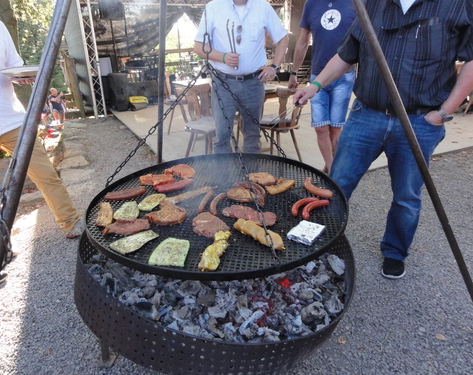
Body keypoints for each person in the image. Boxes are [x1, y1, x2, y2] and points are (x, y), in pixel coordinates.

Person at [294, 0, 473, 279]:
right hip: (367, 115)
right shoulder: (372, 5)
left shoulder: (457, 4)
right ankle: (318, 241)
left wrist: (444, 112)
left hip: (419, 120)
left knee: (406, 196)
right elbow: (346, 54)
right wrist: (315, 85)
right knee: (336, 185)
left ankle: (394, 252)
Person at [0, 9, 84, 281]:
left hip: (10, 117)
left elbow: (13, 65)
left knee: (46, 175)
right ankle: (1, 244)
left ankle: (70, 223)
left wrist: (23, 76)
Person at [194, 0, 289, 153]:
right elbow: (199, 46)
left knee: (253, 135)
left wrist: (274, 66)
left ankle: (252, 176)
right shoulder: (214, 7)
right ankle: (226, 176)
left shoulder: (263, 7)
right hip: (223, 82)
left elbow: (283, 38)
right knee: (223, 135)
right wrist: (222, 57)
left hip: (254, 82)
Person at [288, 0, 356, 174]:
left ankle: (331, 167)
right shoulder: (311, 4)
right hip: (317, 76)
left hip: (344, 76)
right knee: (320, 127)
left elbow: (362, 41)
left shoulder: (355, 3)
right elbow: (303, 42)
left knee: (335, 128)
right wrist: (293, 72)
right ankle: (333, 169)